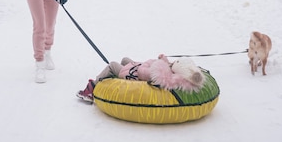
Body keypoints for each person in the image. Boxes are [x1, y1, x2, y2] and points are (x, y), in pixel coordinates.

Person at [76, 54, 205, 103]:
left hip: (134, 76)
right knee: (125, 59)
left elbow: (143, 72)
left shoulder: (161, 75)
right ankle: (113, 76)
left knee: (112, 65)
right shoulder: (172, 71)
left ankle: (92, 89)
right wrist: (163, 60)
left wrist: (152, 64)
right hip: (138, 69)